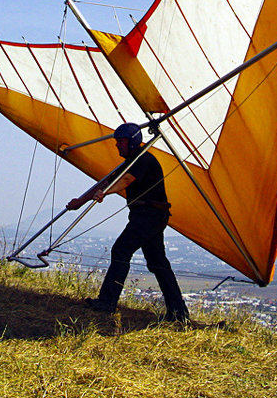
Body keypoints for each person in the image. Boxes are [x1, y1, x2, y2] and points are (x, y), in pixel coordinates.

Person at [66, 122, 189, 322]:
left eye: (121, 142)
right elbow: (106, 182)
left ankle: (107, 302)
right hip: (145, 215)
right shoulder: (129, 162)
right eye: (117, 142)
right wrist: (81, 201)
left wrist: (105, 193)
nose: (117, 146)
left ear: (132, 142)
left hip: (151, 215)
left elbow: (124, 181)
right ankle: (178, 313)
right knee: (158, 263)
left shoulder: (143, 160)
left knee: (121, 250)